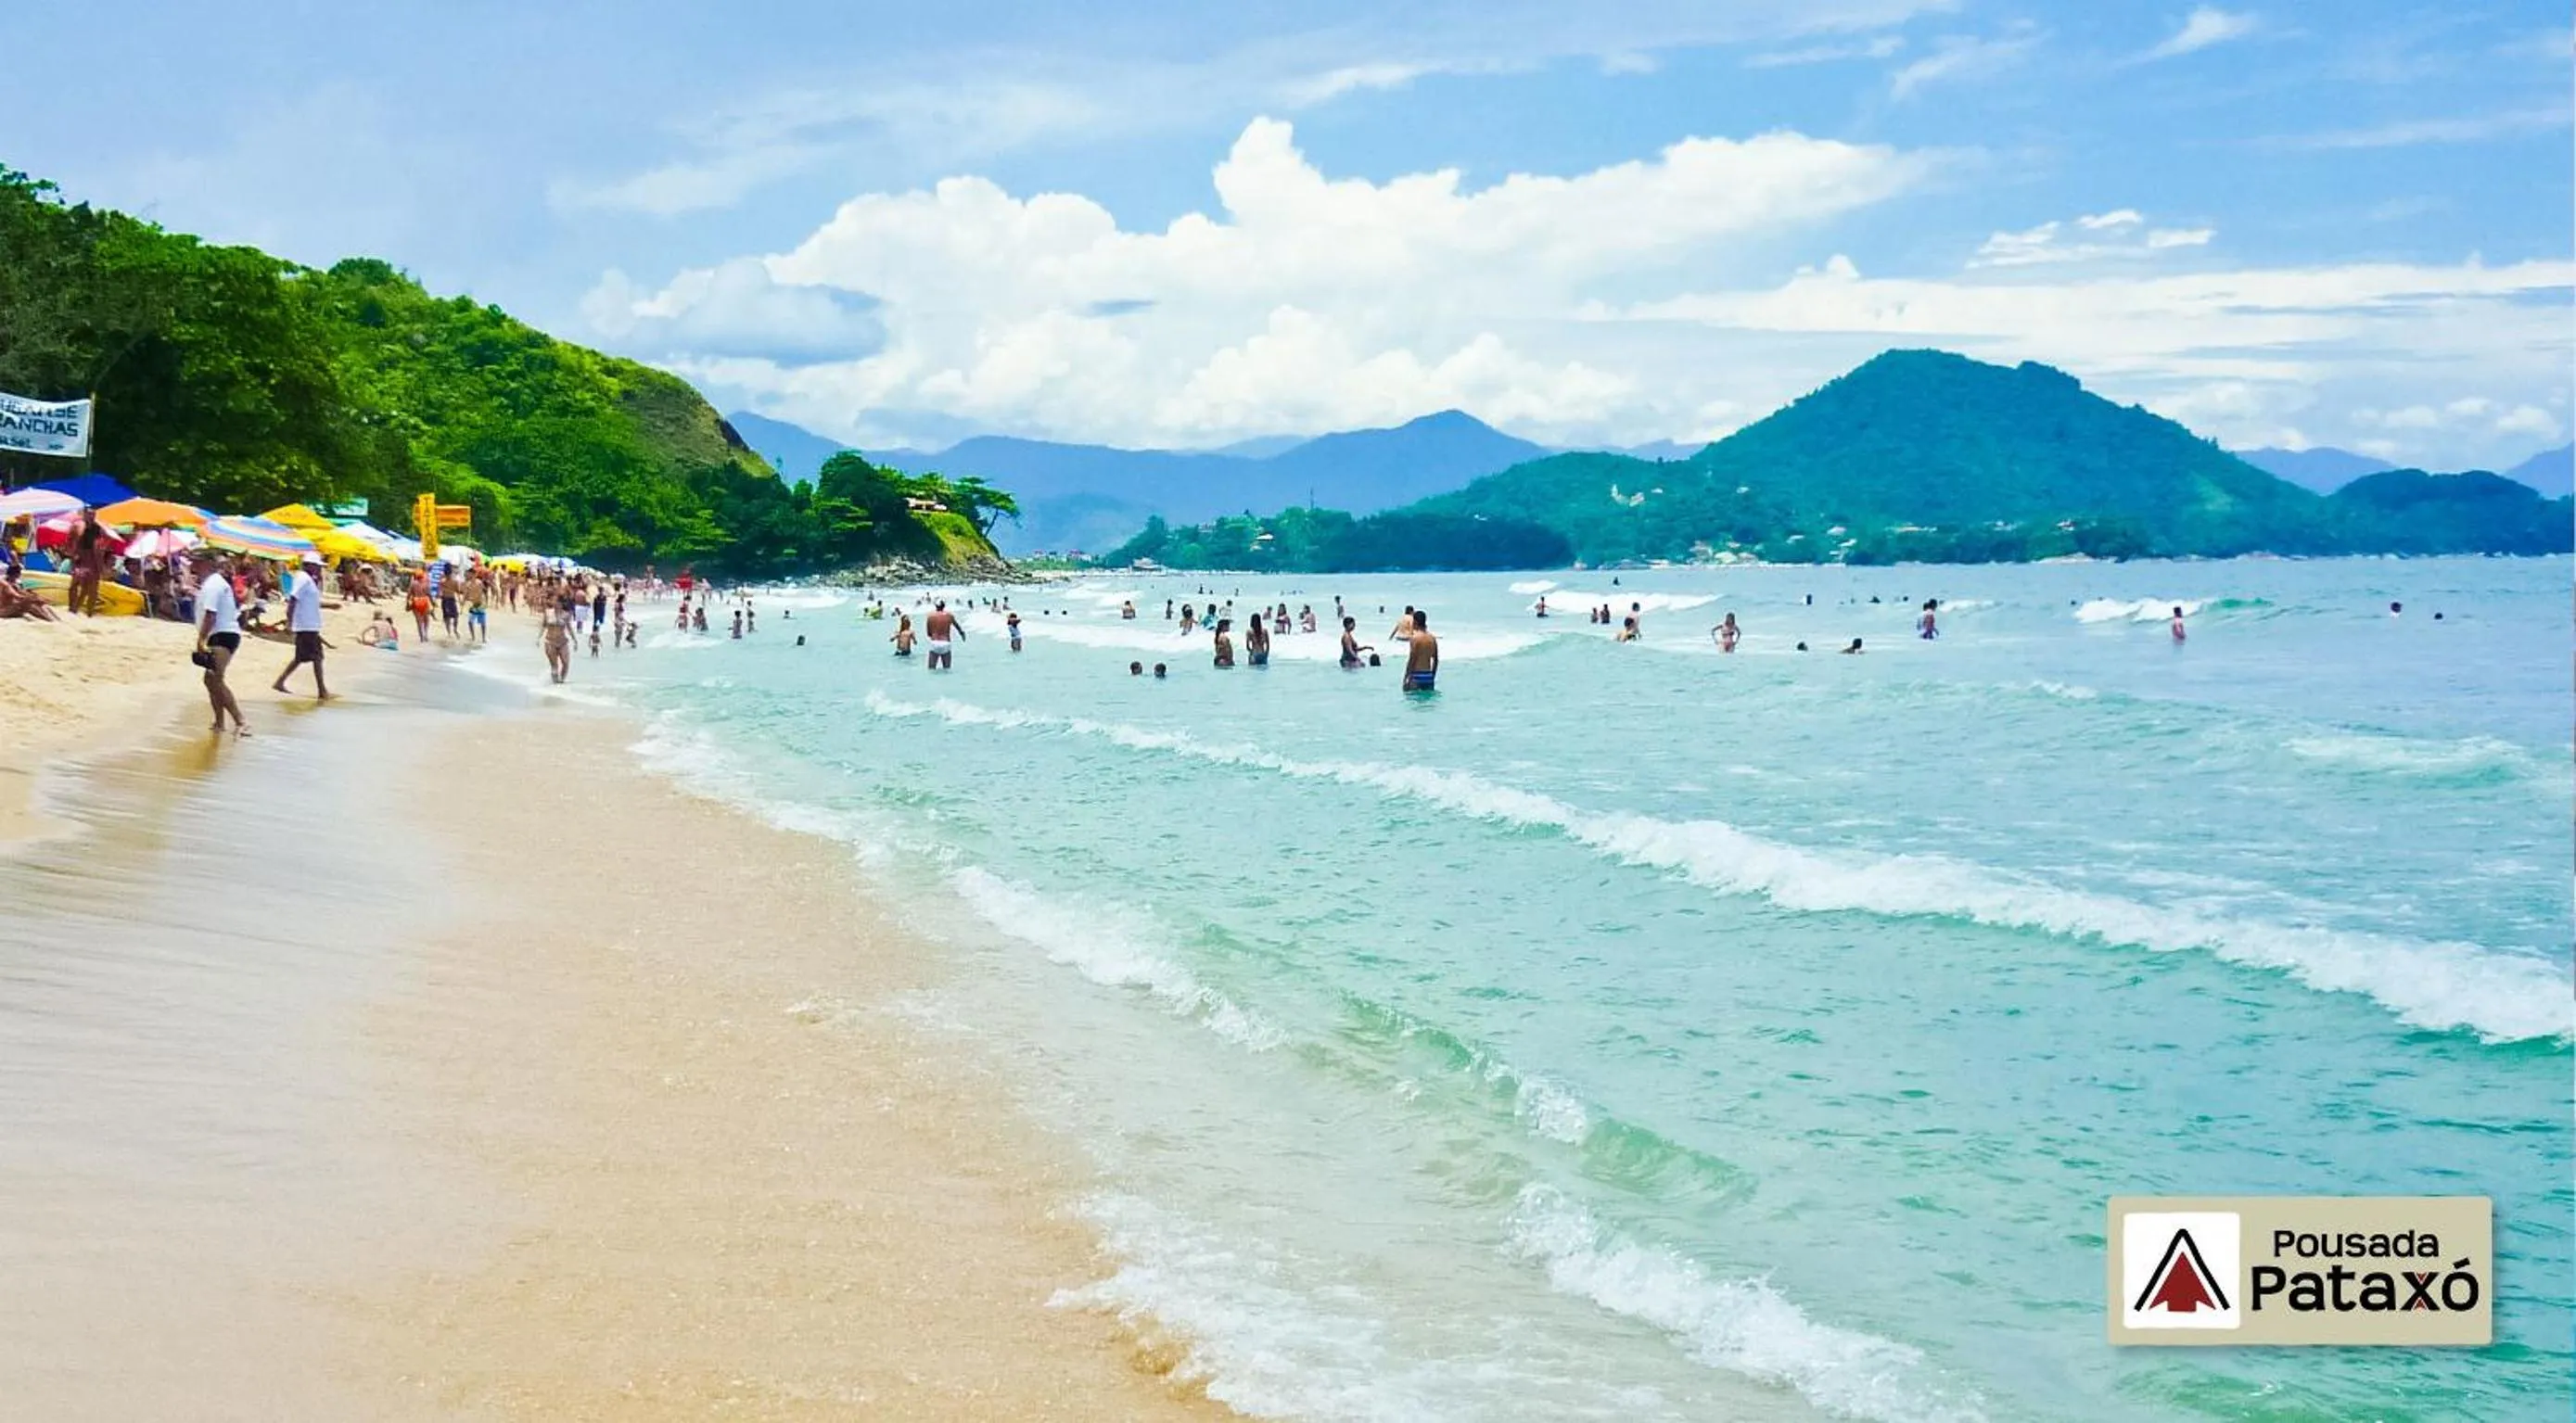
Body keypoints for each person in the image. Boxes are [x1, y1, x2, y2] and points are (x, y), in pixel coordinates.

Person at [192, 551, 249, 737]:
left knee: (214, 679)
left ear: (207, 563)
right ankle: (219, 721)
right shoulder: (211, 583)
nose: (193, 565)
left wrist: (201, 640)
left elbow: (211, 614)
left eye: (197, 562)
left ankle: (241, 721)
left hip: (223, 635)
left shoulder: (214, 584)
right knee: (211, 679)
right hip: (219, 634)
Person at [270, 553, 332, 700]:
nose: (319, 569)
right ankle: (322, 690)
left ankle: (280, 681)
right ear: (309, 565)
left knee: (301, 657)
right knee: (317, 657)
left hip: (310, 624)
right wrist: (289, 622)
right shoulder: (303, 578)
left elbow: (310, 602)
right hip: (305, 625)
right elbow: (293, 599)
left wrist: (330, 605)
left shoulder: (309, 580)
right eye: (317, 566)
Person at [1402, 610, 1439, 692]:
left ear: (1415, 622)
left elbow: (1412, 659)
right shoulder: (1432, 638)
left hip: (1416, 676)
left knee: (1414, 702)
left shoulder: (1415, 638)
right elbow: (1436, 660)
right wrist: (1432, 676)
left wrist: (1406, 678)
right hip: (1428, 676)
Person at [540, 599, 573, 683]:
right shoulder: (548, 613)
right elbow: (543, 626)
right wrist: (538, 638)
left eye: (558, 603)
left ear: (562, 605)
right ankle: (555, 684)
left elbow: (569, 628)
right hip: (550, 641)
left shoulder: (566, 615)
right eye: (555, 602)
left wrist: (575, 640)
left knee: (566, 663)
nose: (556, 604)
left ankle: (561, 680)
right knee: (554, 665)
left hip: (562, 641)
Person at [925, 600, 962, 670]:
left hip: (934, 643)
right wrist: (962, 634)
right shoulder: (950, 616)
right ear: (944, 606)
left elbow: (929, 634)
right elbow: (958, 627)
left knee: (931, 669)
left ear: (936, 606)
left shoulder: (930, 616)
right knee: (947, 669)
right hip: (946, 643)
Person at [408, 567, 433, 642]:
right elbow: (429, 594)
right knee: (426, 620)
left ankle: (421, 637)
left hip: (416, 601)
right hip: (424, 601)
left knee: (419, 621)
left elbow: (409, 594)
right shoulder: (426, 583)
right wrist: (432, 602)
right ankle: (426, 633)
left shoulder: (413, 583)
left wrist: (407, 602)